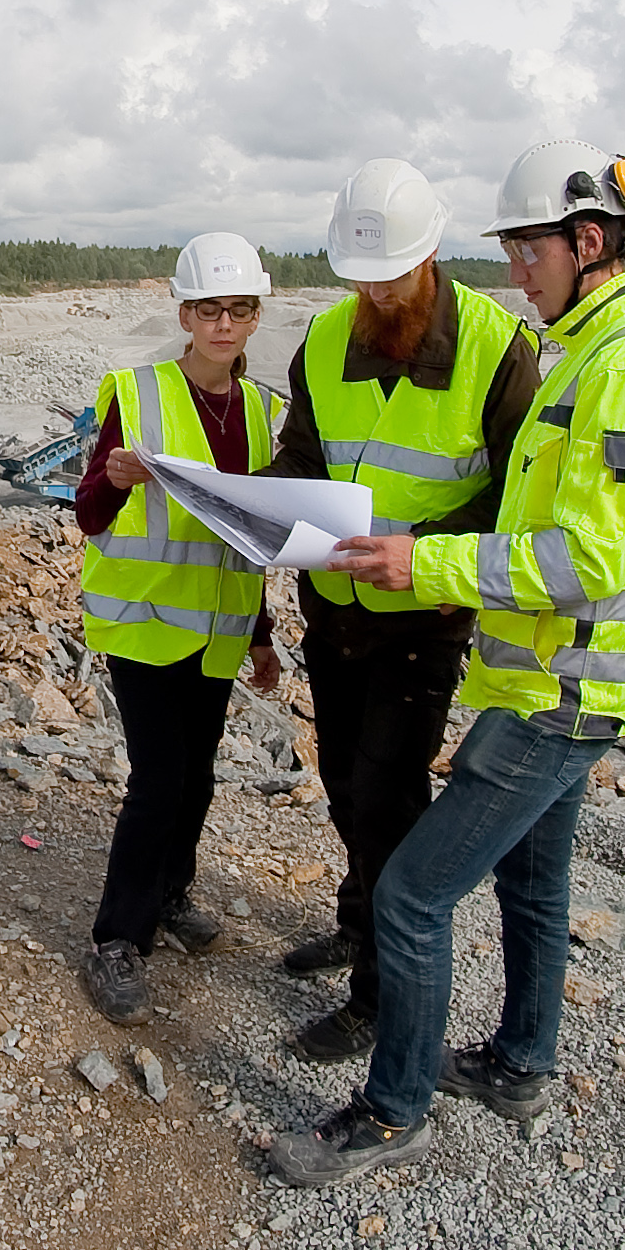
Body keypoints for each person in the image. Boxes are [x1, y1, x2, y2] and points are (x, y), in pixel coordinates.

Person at [265, 141, 625, 1185]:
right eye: (511, 249)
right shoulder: (591, 355)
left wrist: (426, 560)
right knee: (534, 877)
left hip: (564, 686)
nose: (518, 269)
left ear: (586, 240)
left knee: (414, 891)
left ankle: (393, 1107)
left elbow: (583, 556)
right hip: (539, 674)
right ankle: (519, 1061)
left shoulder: (624, 368)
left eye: (529, 249)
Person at [259, 158, 538, 1063]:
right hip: (333, 611)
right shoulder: (327, 339)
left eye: (391, 275)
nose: (375, 293)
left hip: (423, 621)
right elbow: (302, 457)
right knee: (344, 781)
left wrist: (420, 557)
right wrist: (245, 501)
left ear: (431, 255)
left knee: (386, 798)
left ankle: (380, 993)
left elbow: (516, 503)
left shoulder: (497, 351)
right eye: (359, 277)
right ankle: (357, 920)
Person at [71, 232, 289, 1025]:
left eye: (236, 309)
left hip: (220, 626)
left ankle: (170, 893)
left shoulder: (267, 413)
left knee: (195, 777)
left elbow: (252, 536)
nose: (221, 323)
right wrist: (114, 478)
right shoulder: (135, 392)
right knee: (159, 780)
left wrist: (262, 634)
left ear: (255, 316)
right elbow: (89, 513)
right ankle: (115, 939)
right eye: (207, 309)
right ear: (185, 312)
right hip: (142, 621)